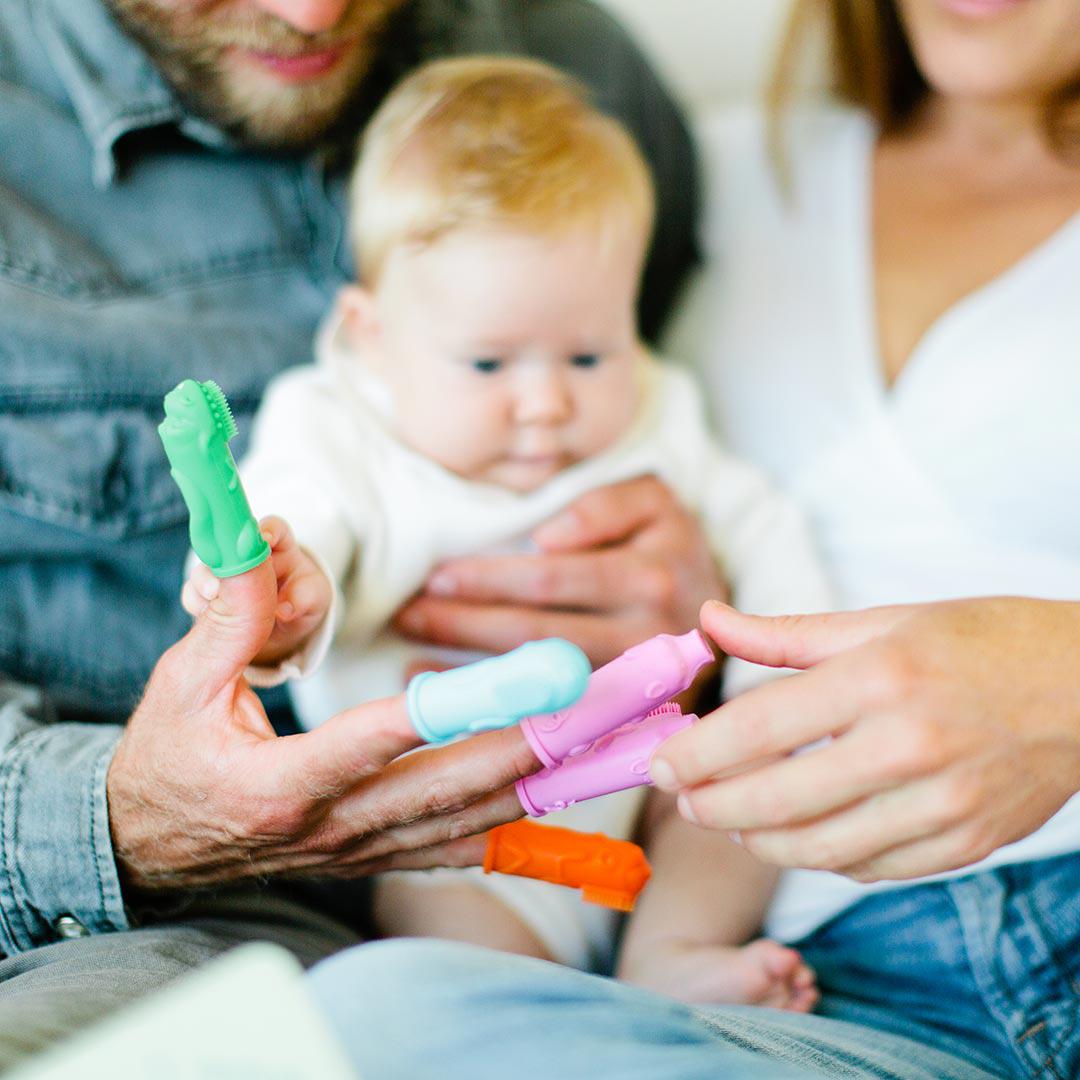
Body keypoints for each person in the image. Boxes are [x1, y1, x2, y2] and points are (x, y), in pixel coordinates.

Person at [304, 1, 1080, 1077]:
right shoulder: (707, 179)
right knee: (368, 1013)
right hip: (809, 976)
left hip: (1061, 876)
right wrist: (700, 610)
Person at [0, 0, 709, 1065]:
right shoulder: (327, 420)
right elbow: (313, 502)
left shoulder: (575, 72)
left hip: (617, 792)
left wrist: (716, 604)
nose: (311, 12)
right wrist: (127, 816)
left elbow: (743, 502)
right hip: (154, 913)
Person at [185, 54, 825, 1005]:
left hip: (648, 790)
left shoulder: (652, 410)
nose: (546, 403)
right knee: (445, 951)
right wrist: (289, 586)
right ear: (372, 333)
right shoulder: (340, 426)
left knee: (751, 786)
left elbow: (754, 522)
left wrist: (799, 662)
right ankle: (544, 1015)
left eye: (587, 351)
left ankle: (676, 952)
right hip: (467, 829)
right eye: (488, 364)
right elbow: (301, 513)